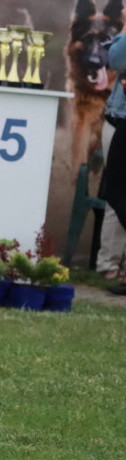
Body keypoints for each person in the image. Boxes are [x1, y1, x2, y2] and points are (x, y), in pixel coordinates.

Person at [101, 34, 126, 295]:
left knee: (117, 192)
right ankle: (109, 263)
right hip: (119, 119)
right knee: (116, 194)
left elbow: (117, 58)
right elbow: (115, 58)